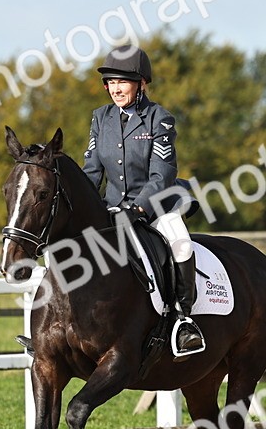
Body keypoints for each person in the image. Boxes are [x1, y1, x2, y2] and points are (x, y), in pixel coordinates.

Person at [83, 44, 206, 357]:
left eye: (122, 81)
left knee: (180, 243)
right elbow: (92, 172)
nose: (115, 88)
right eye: (110, 82)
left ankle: (183, 320)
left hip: (154, 206)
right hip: (111, 210)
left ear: (141, 83)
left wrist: (138, 208)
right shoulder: (100, 118)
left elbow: (161, 174)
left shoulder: (158, 118)